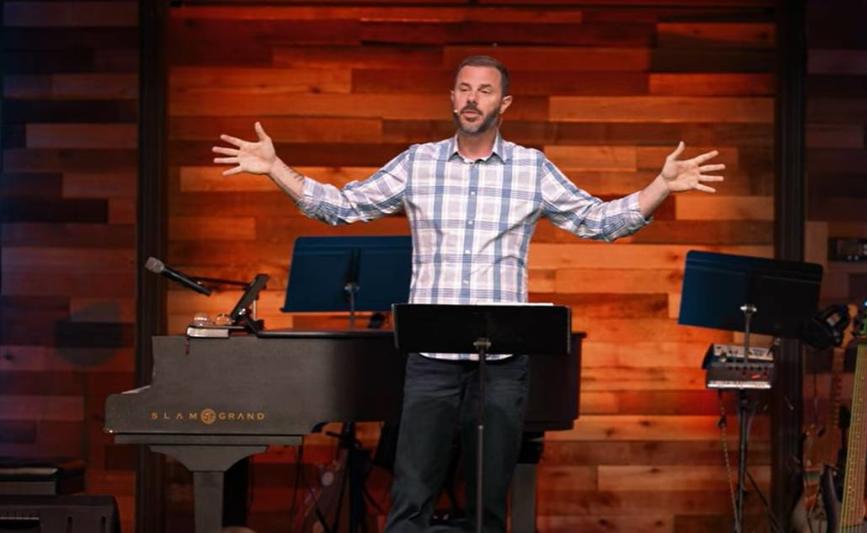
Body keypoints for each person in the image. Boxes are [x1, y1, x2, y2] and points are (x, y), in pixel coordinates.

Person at [212, 55, 724, 532]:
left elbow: (598, 222)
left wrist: (660, 185)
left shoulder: (531, 168)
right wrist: (276, 169)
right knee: (410, 496)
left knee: (487, 506)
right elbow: (343, 206)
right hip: (430, 359)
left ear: (504, 105)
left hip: (500, 362)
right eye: (463, 89)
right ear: (452, 99)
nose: (472, 99)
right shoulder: (418, 163)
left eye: (484, 91)